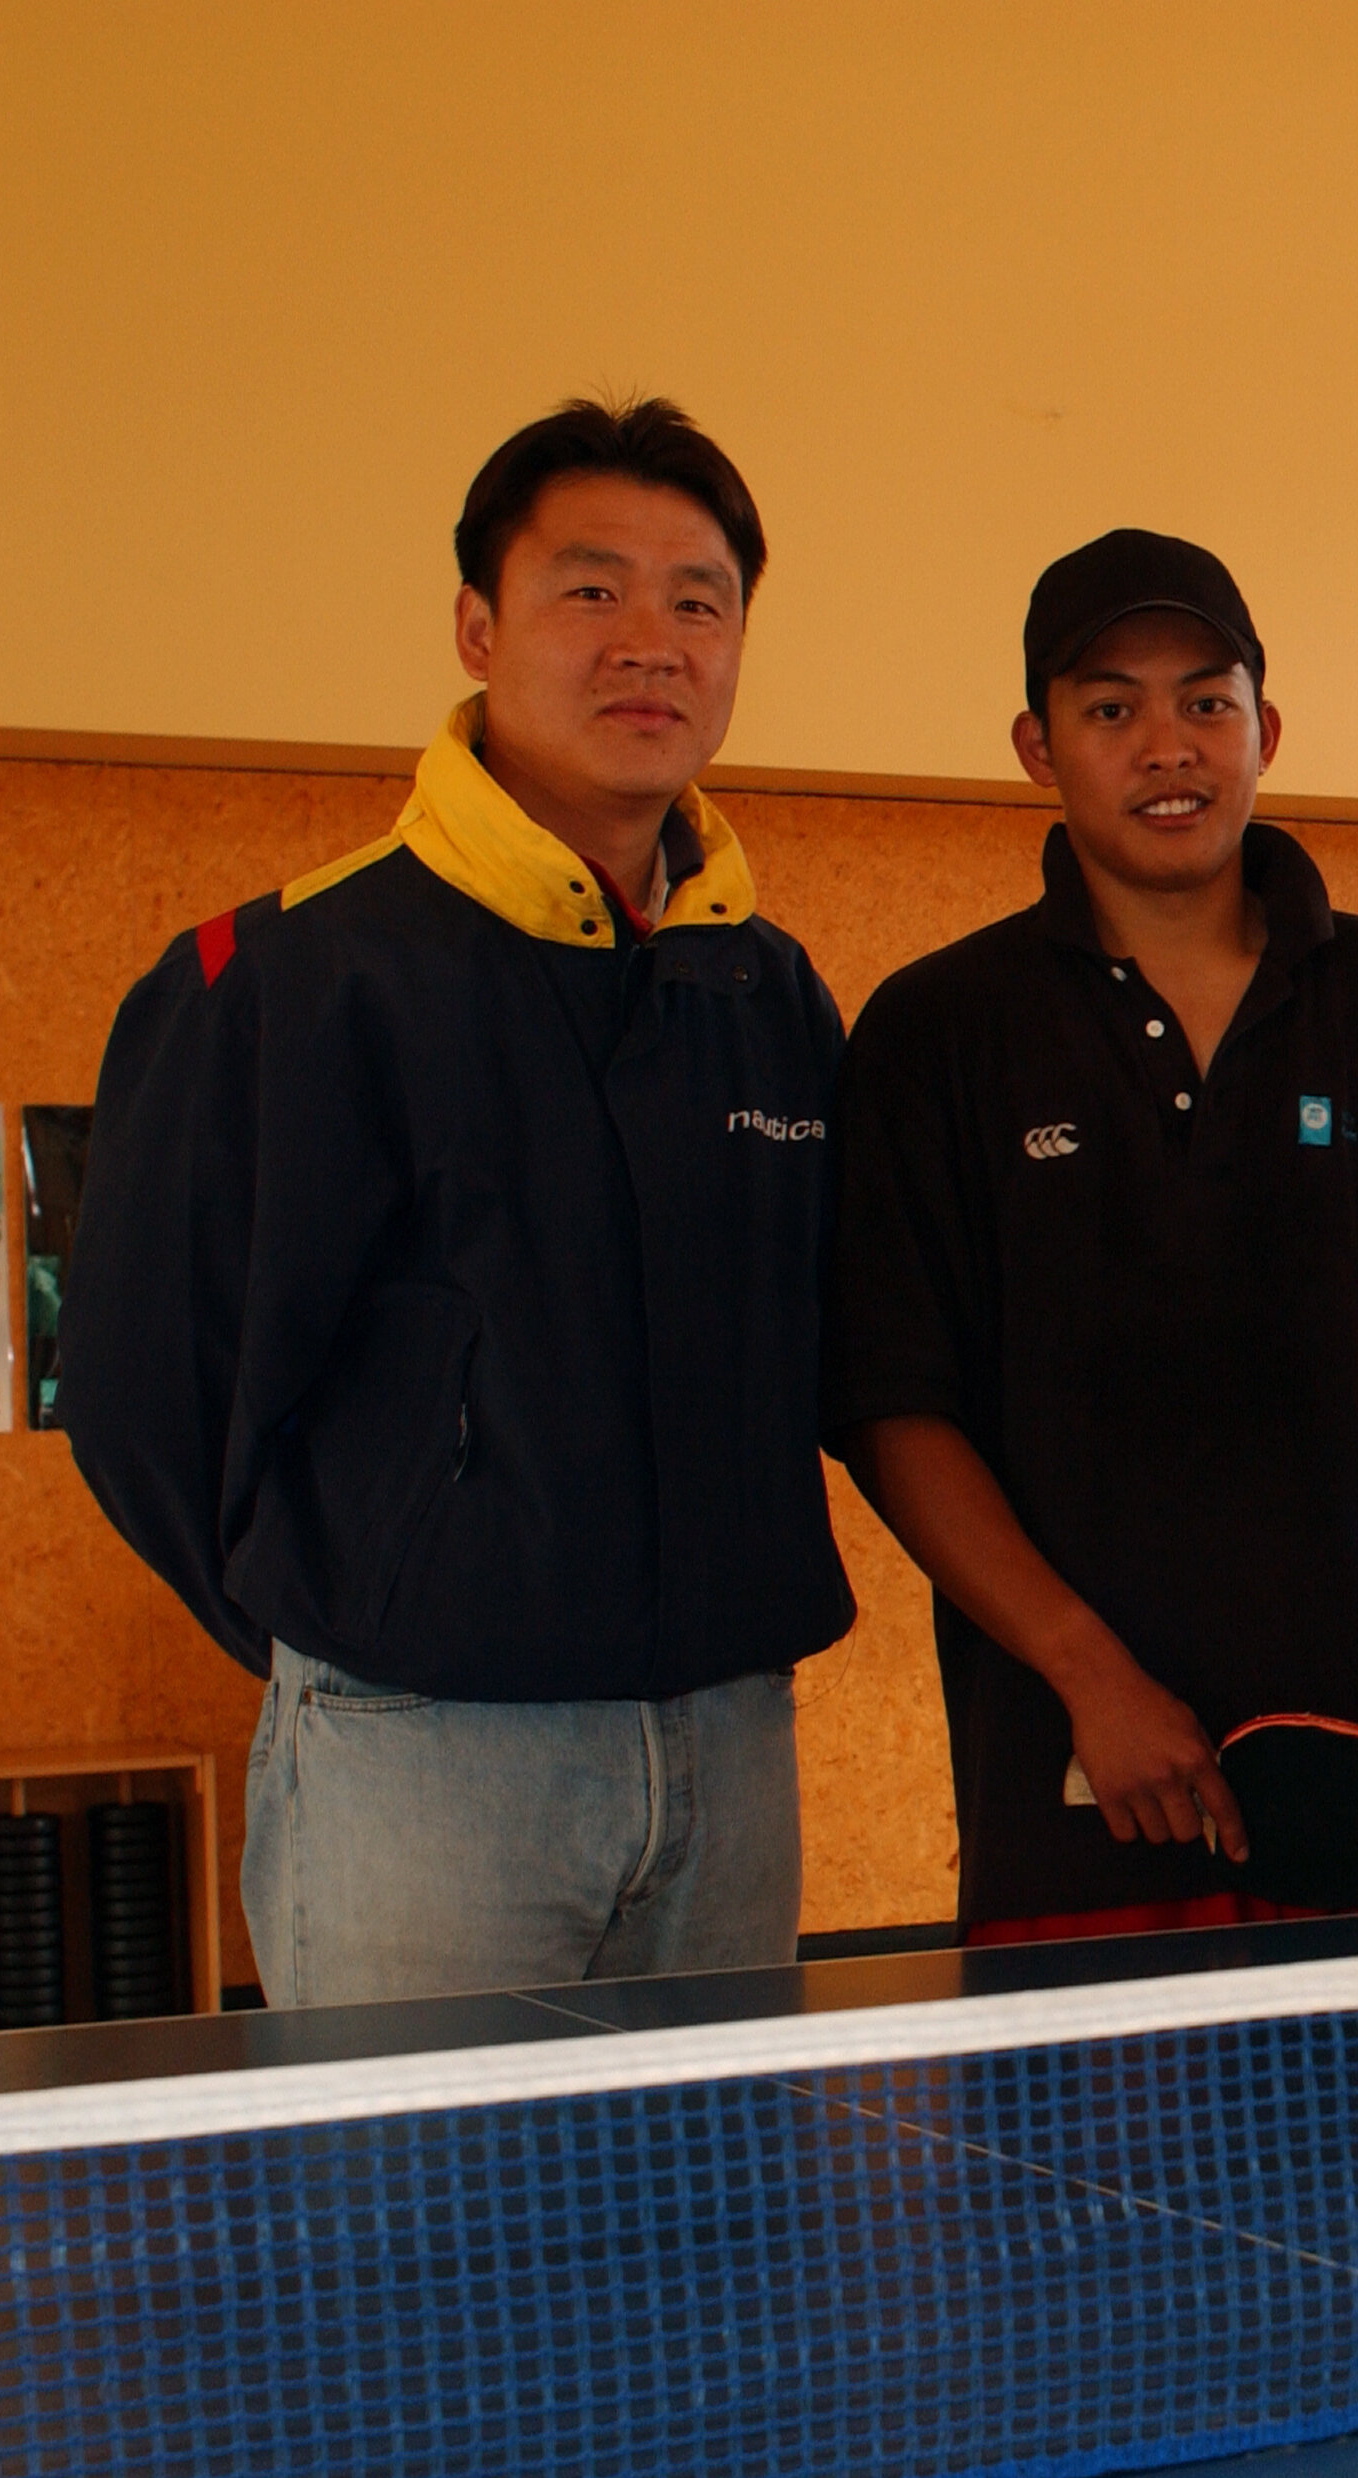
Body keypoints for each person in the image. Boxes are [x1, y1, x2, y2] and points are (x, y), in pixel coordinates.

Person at [61, 398, 852, 2005]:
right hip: (421, 1765)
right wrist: (365, 1629)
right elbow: (143, 1391)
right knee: (414, 2248)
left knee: (703, 2245)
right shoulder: (285, 976)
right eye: (592, 589)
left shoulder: (768, 991)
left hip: (731, 1753)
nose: (652, 639)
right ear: (481, 627)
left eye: (699, 600)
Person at [826, 531, 1358, 1941]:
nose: (1166, 745)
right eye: (1111, 709)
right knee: (1082, 2168)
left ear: (1266, 727)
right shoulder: (938, 1032)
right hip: (1081, 1794)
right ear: (1037, 747)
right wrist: (1089, 1675)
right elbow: (892, 1408)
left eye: (1206, 701)